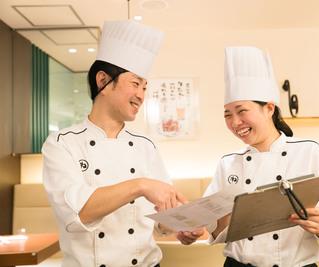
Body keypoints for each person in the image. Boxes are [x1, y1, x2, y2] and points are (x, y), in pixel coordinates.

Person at [42, 20, 201, 267]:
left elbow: (161, 220)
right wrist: (140, 185)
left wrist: (182, 227)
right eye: (135, 84)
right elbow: (78, 212)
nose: (141, 95)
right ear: (103, 81)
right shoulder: (61, 144)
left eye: (145, 87)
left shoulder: (145, 145)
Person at [203, 46, 319, 267]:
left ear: (269, 108)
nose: (235, 123)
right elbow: (213, 227)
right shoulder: (227, 163)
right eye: (228, 114)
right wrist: (209, 220)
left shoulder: (309, 151)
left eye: (242, 111)